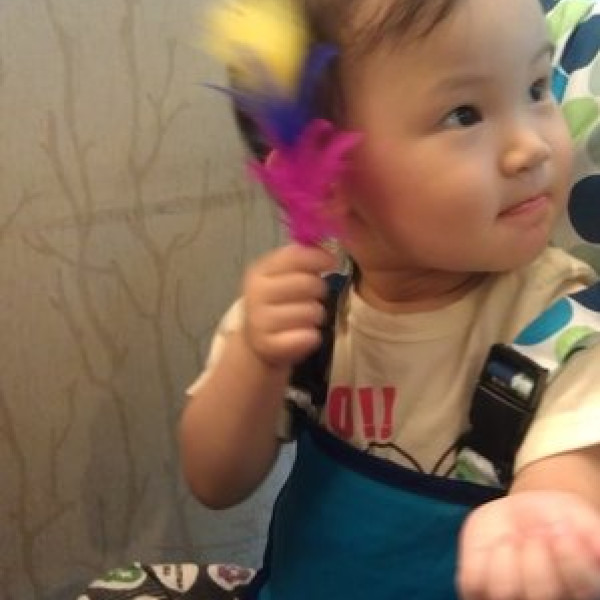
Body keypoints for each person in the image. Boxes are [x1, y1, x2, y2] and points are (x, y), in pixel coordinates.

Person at [80, 0, 600, 598]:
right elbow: (215, 482)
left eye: (536, 87)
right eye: (464, 114)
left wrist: (546, 518)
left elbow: (571, 476)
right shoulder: (306, 318)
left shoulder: (564, 334)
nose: (532, 146)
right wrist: (256, 362)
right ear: (329, 184)